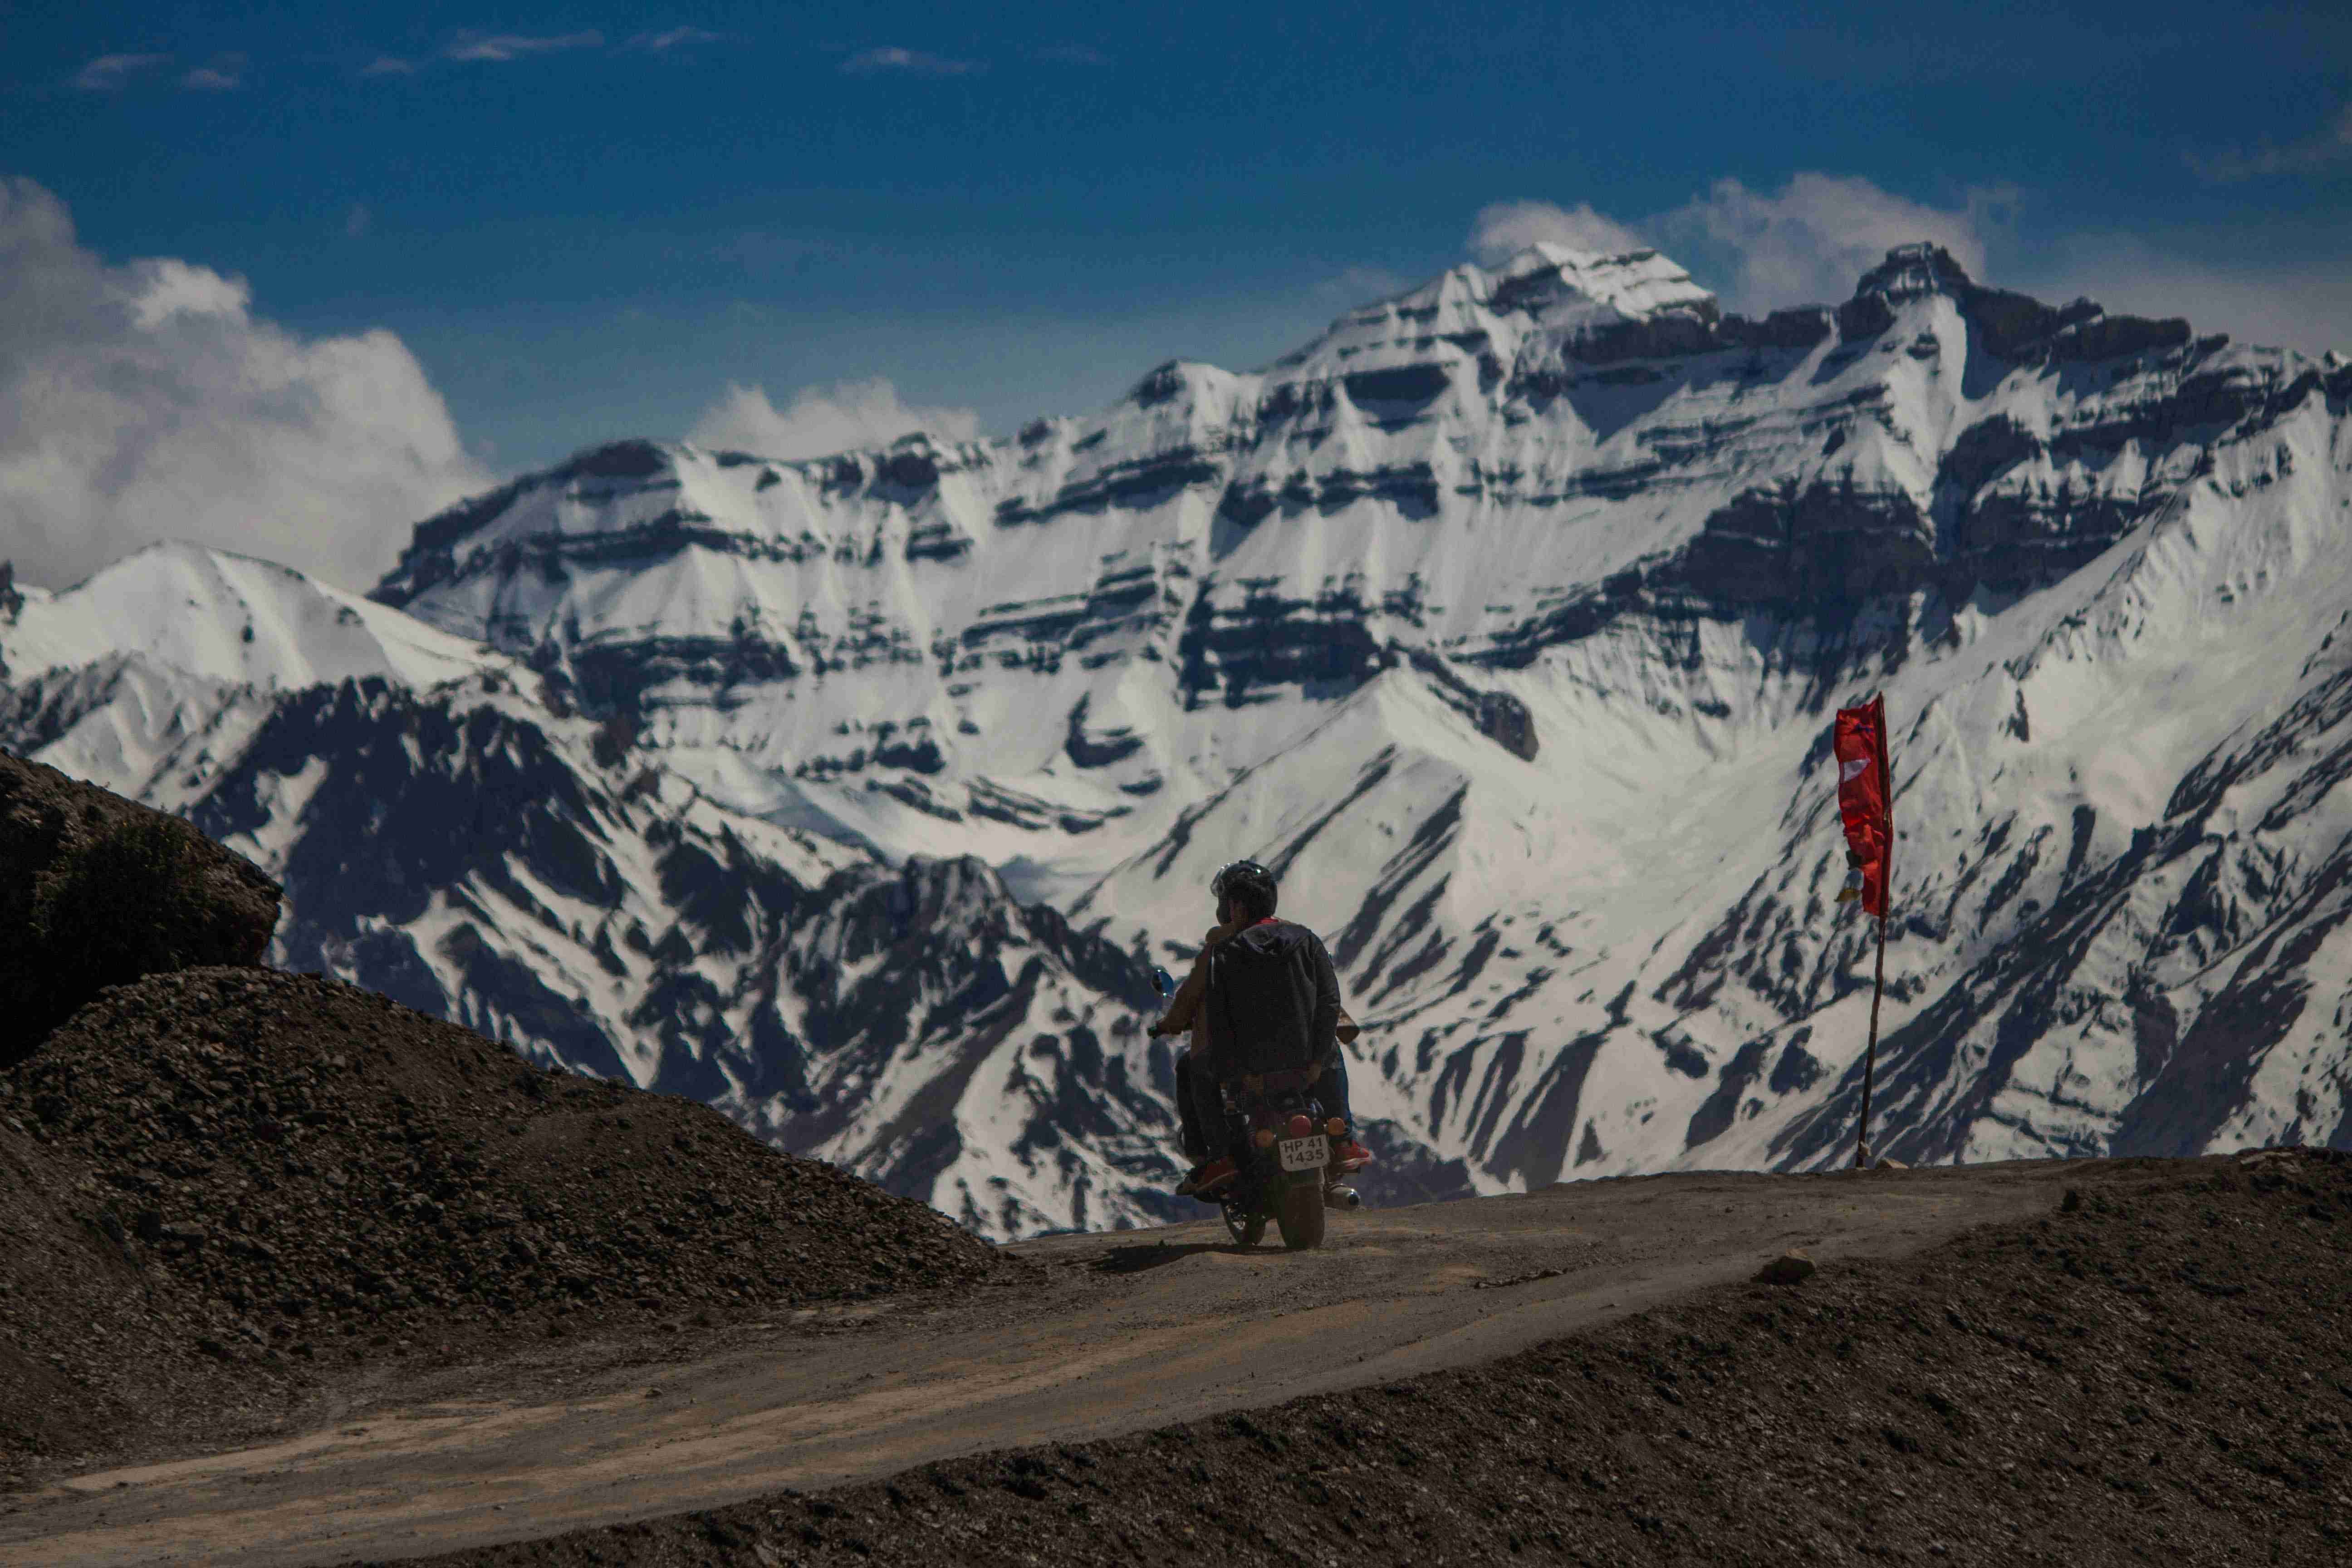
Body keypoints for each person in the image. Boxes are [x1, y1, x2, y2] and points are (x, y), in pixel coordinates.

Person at [1150, 859, 1372, 1196]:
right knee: (1333, 1054)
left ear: (1234, 906)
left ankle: (1221, 1158)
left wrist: (1237, 1070)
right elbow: (1329, 1000)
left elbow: (1220, 1019)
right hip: (1303, 1060)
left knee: (1195, 1069)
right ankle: (1342, 1140)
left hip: (1251, 1067)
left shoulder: (1222, 951)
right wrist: (1316, 1059)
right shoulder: (1306, 939)